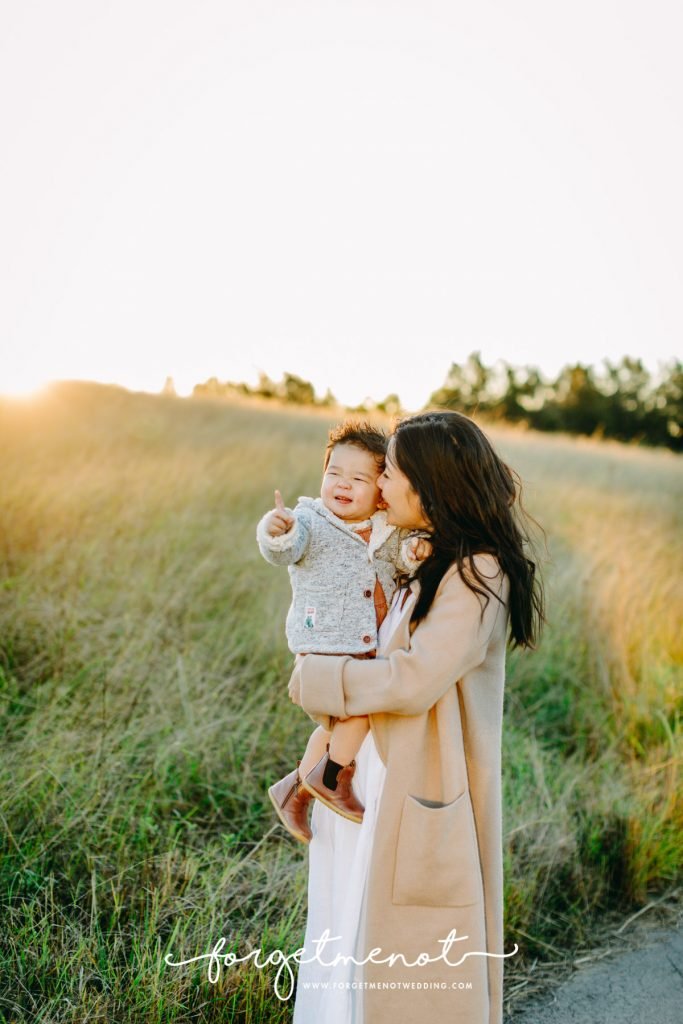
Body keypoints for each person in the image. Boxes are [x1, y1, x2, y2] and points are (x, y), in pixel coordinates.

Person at [287, 410, 545, 1024]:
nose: (381, 486)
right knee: (346, 929)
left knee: (402, 967)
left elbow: (411, 681)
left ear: (429, 484)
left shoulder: (478, 571)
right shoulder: (424, 557)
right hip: (369, 780)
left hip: (418, 789)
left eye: (392, 472)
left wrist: (318, 678)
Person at [256, 421, 430, 840]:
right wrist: (277, 530)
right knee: (362, 707)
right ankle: (332, 777)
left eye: (359, 479)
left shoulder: (388, 528)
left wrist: (415, 551)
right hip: (326, 639)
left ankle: (295, 788)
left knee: (337, 725)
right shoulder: (310, 520)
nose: (342, 485)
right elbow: (285, 549)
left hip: (363, 644)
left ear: (380, 489)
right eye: (334, 473)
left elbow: (402, 563)